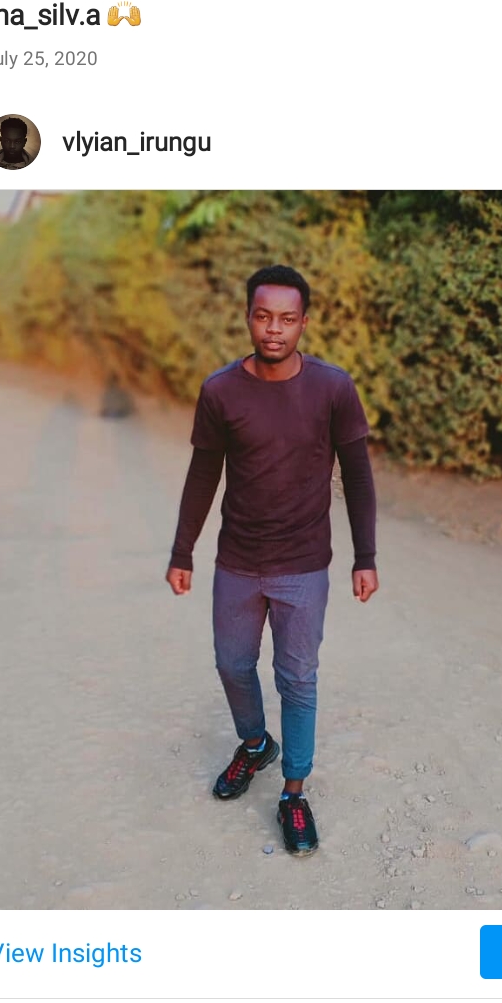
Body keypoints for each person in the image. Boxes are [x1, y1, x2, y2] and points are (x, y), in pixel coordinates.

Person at [166, 265, 379, 855]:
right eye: (264, 316)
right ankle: (256, 744)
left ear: (304, 322)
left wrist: (365, 555)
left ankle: (293, 792)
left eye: (287, 318)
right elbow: (203, 475)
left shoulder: (333, 389)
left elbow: (358, 476)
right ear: (248, 318)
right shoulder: (221, 391)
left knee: (298, 679)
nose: (274, 329)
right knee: (233, 665)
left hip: (303, 564)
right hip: (238, 560)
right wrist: (183, 550)